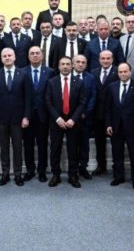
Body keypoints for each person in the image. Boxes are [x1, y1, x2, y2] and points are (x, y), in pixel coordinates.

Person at [0, 48, 31, 186]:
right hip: (1, 119)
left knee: (17, 148)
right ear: (1, 58)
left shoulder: (23, 74)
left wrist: (26, 116)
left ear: (14, 57)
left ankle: (18, 174)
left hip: (18, 119)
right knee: (4, 148)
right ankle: (5, 174)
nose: (7, 58)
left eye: (9, 55)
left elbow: (28, 98)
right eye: (4, 56)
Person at [46, 56, 85, 188]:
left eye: (68, 64)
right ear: (58, 66)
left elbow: (82, 103)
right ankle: (55, 175)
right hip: (56, 121)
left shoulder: (79, 82)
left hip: (73, 122)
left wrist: (73, 119)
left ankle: (73, 175)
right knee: (55, 149)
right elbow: (48, 102)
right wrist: (57, 118)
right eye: (62, 64)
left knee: (73, 150)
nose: (65, 66)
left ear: (72, 66)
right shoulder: (51, 82)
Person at [106, 63, 134, 189]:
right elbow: (108, 108)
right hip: (116, 126)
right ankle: (118, 177)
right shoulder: (112, 86)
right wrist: (108, 124)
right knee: (117, 153)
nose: (123, 74)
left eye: (125, 71)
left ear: (130, 72)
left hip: (133, 127)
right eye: (120, 72)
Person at [23, 46, 54, 183]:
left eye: (37, 53)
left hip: (44, 114)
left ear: (42, 55)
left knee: (43, 144)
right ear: (28, 56)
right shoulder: (22, 72)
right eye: (32, 53)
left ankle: (42, 171)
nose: (35, 55)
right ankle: (30, 170)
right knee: (28, 144)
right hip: (27, 114)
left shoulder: (50, 72)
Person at [90, 50, 118, 177]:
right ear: (99, 59)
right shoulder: (94, 72)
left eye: (108, 58)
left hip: (113, 113)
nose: (105, 61)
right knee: (99, 142)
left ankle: (117, 168)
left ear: (112, 59)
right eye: (103, 58)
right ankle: (101, 166)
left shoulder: (118, 71)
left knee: (116, 142)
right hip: (98, 114)